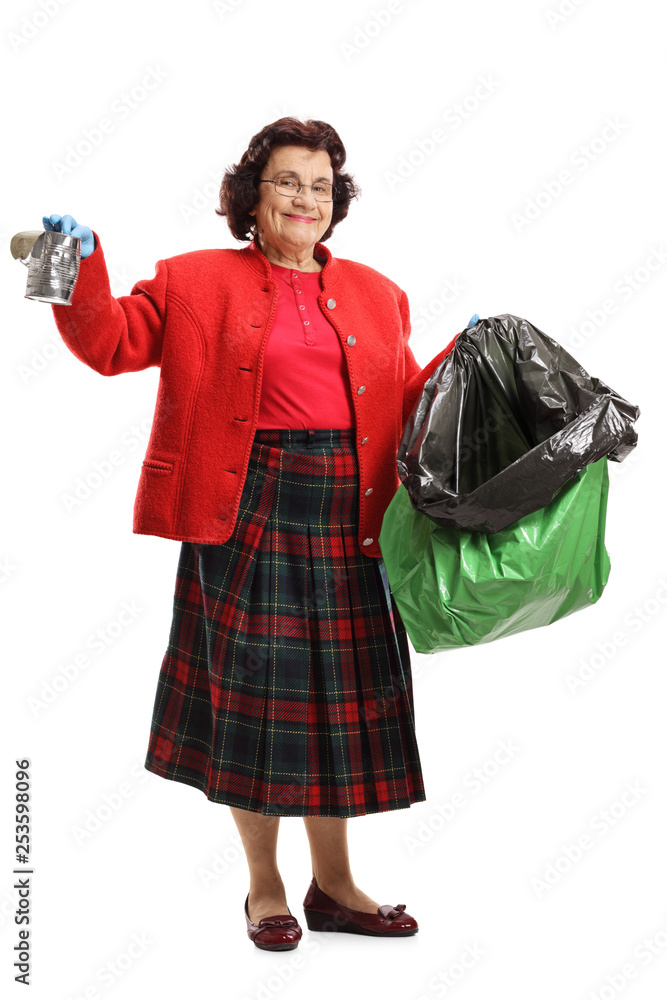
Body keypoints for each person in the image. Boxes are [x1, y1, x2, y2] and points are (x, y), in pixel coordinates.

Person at [46, 116, 473, 952]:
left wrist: (476, 357)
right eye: (287, 181)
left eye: (320, 185)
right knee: (254, 707)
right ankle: (265, 887)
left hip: (351, 518)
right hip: (243, 513)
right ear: (252, 195)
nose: (305, 199)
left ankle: (338, 885)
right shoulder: (192, 281)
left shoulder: (378, 294)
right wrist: (68, 262)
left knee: (338, 709)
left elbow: (412, 402)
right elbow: (106, 343)